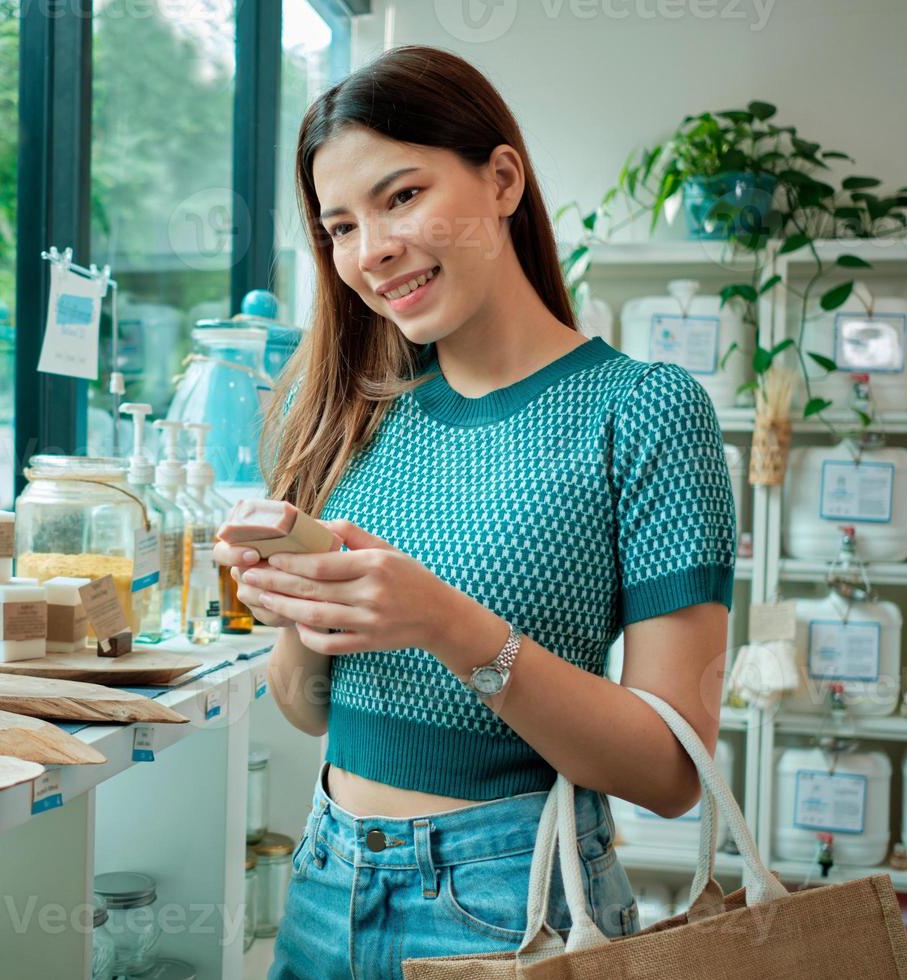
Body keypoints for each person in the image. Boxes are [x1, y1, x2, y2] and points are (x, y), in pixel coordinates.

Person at [211, 45, 738, 979]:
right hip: (328, 877)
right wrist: (306, 605)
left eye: (401, 197)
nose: (369, 252)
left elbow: (671, 771)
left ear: (502, 179)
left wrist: (444, 621)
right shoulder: (354, 410)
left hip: (513, 905)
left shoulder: (643, 410)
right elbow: (301, 709)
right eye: (340, 226)